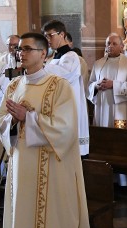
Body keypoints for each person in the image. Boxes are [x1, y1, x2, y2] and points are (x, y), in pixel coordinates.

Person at [0, 32, 91, 228]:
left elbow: (67, 129)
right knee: (23, 216)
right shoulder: (14, 86)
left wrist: (30, 118)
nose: (21, 53)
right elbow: (0, 120)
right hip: (22, 165)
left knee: (55, 219)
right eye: (20, 50)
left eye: (27, 49)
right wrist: (12, 122)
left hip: (53, 168)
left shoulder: (59, 86)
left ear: (44, 54)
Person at [42, 19, 90, 157]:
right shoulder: (53, 58)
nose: (48, 40)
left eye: (50, 35)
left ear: (62, 34)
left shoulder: (72, 56)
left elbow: (63, 74)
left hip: (69, 109)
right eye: (46, 36)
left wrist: (40, 65)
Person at [88, 33, 127, 129]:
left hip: (121, 111)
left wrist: (113, 84)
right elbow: (89, 85)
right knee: (103, 136)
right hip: (102, 108)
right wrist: (96, 85)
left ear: (121, 47)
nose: (110, 46)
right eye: (108, 43)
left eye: (114, 44)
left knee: (119, 136)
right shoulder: (98, 64)